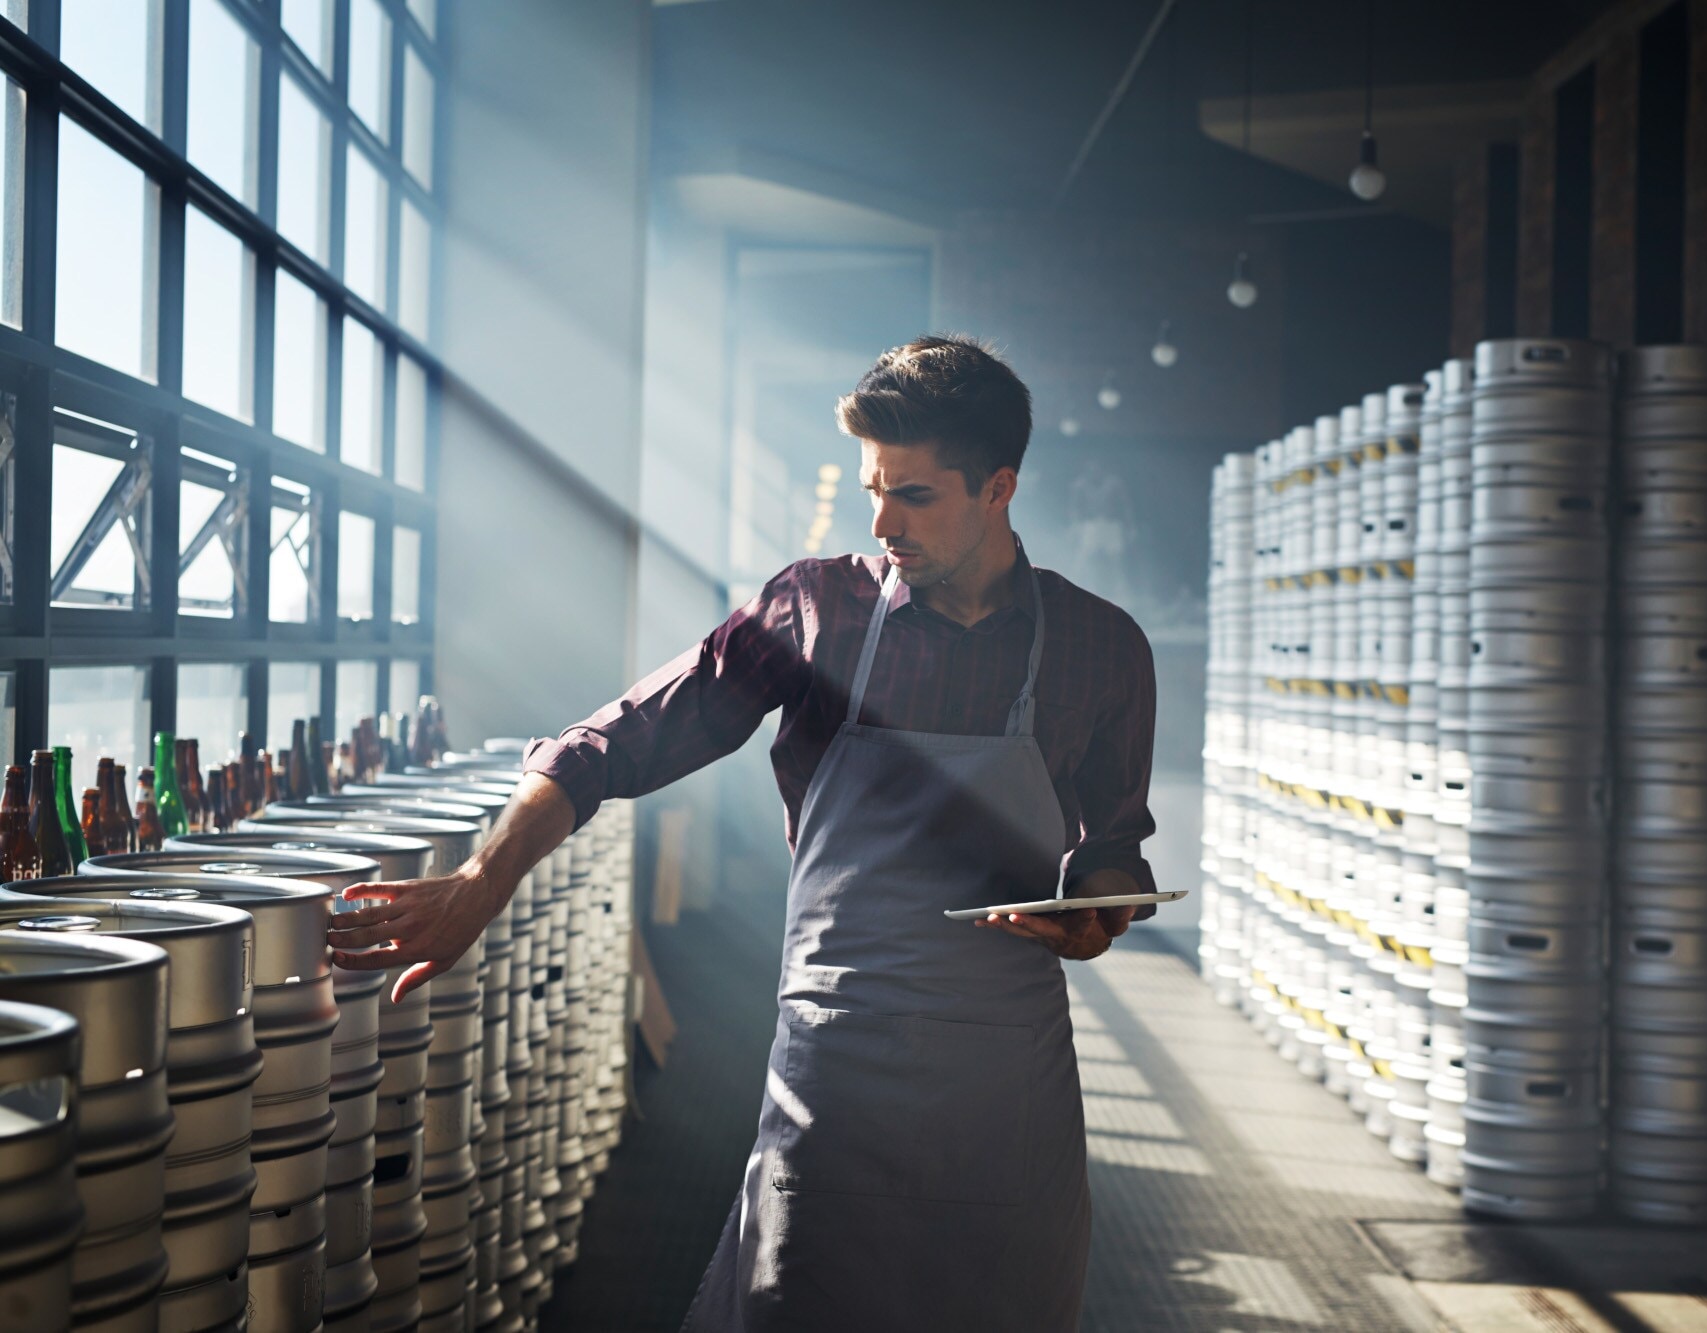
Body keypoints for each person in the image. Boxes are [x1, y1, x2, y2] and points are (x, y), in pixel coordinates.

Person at [327, 334, 1160, 1332]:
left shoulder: (1098, 648)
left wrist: (1096, 911)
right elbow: (621, 738)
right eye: (871, 491)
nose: (882, 522)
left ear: (998, 488)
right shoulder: (816, 612)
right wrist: (482, 877)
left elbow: (1114, 844)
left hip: (1004, 1079)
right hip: (836, 1061)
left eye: (915, 495)